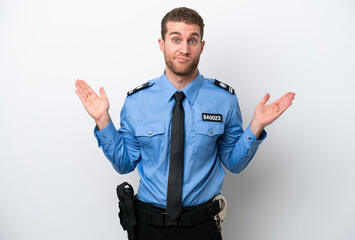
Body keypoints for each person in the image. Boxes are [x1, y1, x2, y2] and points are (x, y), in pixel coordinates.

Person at [75, 7, 295, 240]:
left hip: (201, 227)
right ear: (162, 44)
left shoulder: (224, 100)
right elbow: (124, 164)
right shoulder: (136, 102)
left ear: (201, 45)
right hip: (148, 227)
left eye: (192, 40)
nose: (184, 48)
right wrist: (102, 120)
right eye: (176, 39)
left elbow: (234, 163)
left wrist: (256, 126)